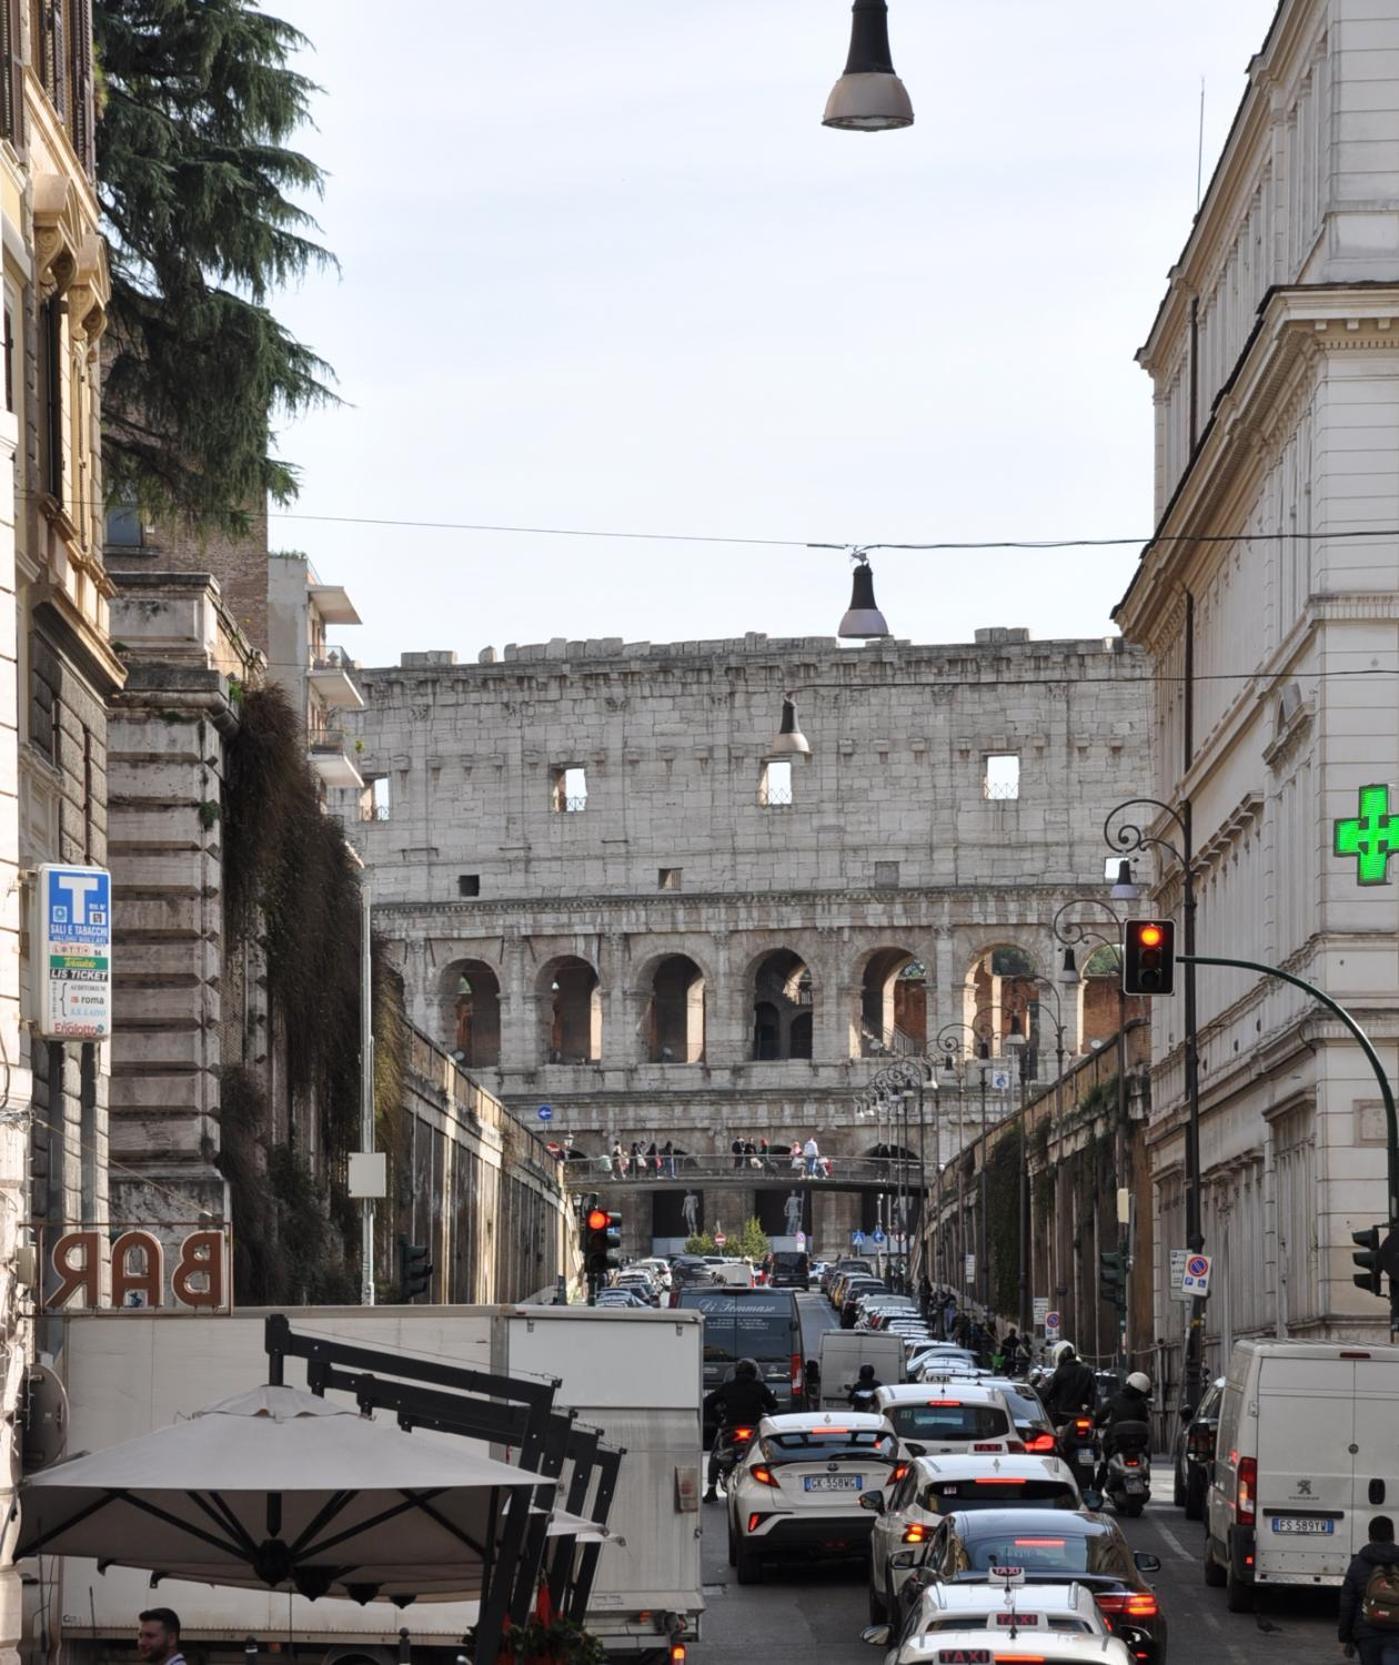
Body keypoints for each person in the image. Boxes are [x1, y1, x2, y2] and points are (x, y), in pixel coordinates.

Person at [703, 1358, 777, 1500]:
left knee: (716, 1455)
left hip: (730, 1427)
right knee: (766, 1451)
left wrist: (718, 1420)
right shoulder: (759, 1386)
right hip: (753, 1428)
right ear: (754, 1372)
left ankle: (711, 1490)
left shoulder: (727, 1387)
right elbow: (773, 1405)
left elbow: (707, 1402)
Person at [1340, 1515, 1399, 1664]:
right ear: (1393, 1535)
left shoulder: (1358, 1562)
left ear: (1369, 1536)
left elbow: (1347, 1603)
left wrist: (1347, 1637)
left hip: (1367, 1632)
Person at [1042, 1344, 1096, 1423]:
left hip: (1062, 1415)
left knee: (1051, 1431)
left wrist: (1041, 1404)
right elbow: (1093, 1393)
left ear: (1061, 1359)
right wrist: (1090, 1409)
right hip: (1082, 1413)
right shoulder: (1087, 1371)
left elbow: (1050, 1393)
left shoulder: (1059, 1373)